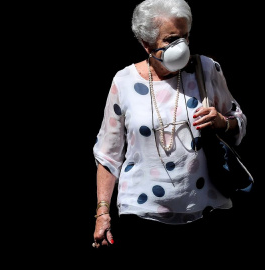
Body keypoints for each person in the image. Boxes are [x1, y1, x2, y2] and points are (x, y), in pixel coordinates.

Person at [92, 0, 248, 251]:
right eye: (171, 39)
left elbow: (237, 119)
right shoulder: (123, 82)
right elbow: (108, 154)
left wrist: (223, 123)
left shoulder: (206, 69)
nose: (182, 46)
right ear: (146, 44)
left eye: (186, 37)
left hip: (204, 210)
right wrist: (102, 213)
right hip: (141, 214)